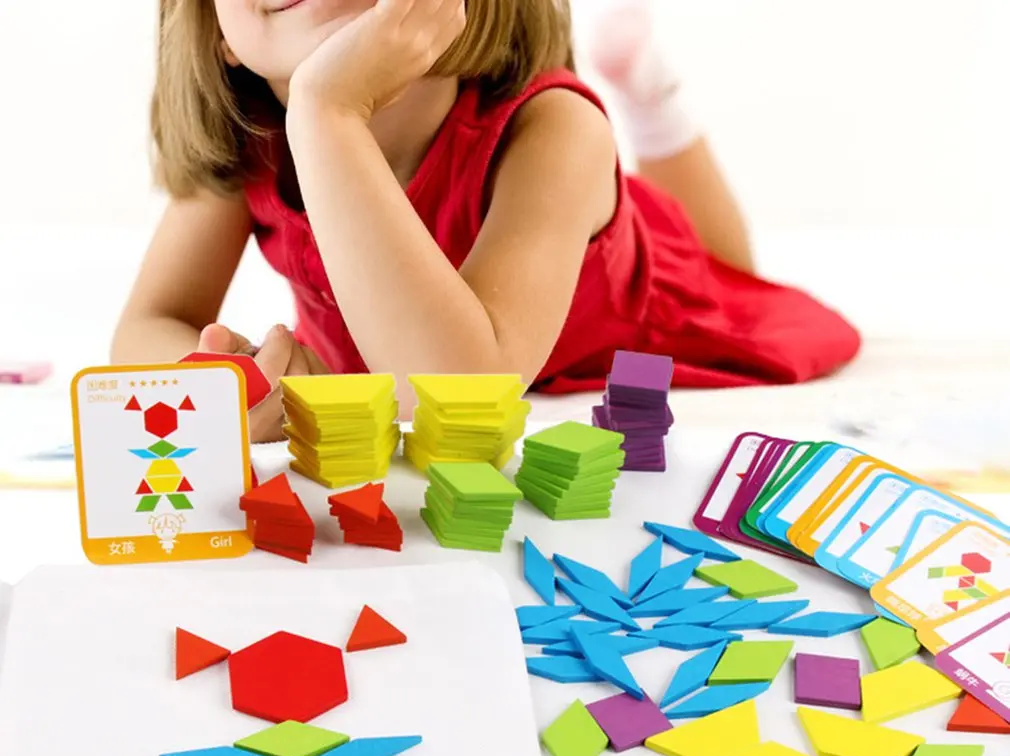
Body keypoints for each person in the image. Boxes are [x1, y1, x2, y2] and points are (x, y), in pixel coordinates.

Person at [113, 0, 860, 441]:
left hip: (636, 306)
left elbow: (458, 392)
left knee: (722, 269)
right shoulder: (252, 145)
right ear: (215, 28)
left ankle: (648, 94)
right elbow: (146, 328)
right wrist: (237, 386)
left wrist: (326, 109)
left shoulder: (555, 129)